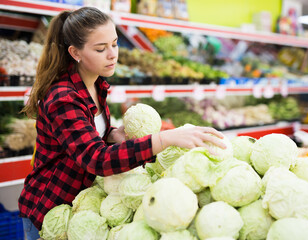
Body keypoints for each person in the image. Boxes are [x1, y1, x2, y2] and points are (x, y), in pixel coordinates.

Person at [18, 6, 226, 240]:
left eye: (115, 44)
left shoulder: (95, 84)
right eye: (101, 48)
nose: (112, 54)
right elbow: (95, 159)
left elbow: (88, 136)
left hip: (80, 205)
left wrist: (110, 135)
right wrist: (163, 139)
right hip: (50, 206)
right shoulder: (63, 98)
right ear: (75, 53)